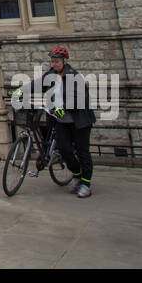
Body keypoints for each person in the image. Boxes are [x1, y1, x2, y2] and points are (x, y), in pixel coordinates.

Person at [32, 45, 96, 198]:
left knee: (82, 152)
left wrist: (63, 109)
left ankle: (86, 184)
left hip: (79, 121)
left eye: (57, 62)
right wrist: (19, 91)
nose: (54, 64)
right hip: (61, 121)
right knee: (64, 150)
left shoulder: (74, 76)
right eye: (52, 62)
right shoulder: (51, 75)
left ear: (64, 61)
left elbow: (81, 99)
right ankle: (77, 174)